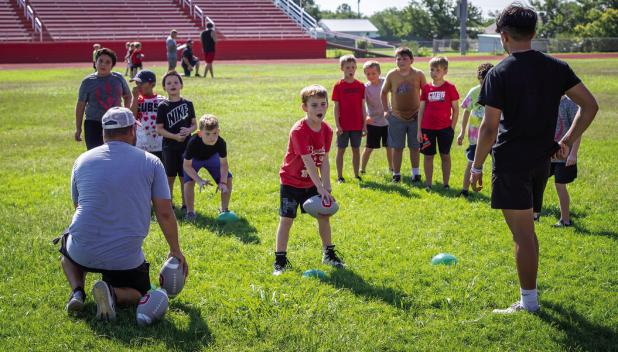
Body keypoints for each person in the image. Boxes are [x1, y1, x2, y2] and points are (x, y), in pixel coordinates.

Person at [470, 4, 598, 314]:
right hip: (542, 161)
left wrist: (476, 165)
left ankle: (529, 302)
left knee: (523, 235)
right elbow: (590, 105)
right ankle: (530, 296)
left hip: (512, 162)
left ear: (503, 36)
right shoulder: (556, 66)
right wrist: (565, 140)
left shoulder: (499, 72)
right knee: (528, 233)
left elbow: (488, 128)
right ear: (534, 33)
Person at [60, 107, 189, 320]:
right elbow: (164, 212)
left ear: (103, 133)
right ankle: (113, 293)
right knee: (140, 293)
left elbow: (78, 206)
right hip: (124, 258)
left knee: (67, 245)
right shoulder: (151, 161)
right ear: (132, 131)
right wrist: (175, 250)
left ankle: (77, 291)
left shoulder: (82, 160)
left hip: (82, 250)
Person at [273, 85, 345, 275]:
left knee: (324, 215)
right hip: (291, 181)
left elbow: (323, 159)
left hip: (312, 183)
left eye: (323, 104)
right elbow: (308, 162)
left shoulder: (327, 130)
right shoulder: (299, 131)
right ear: (304, 108)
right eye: (314, 105)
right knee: (286, 220)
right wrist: (320, 187)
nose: (319, 109)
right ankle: (280, 261)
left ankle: (328, 254)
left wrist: (326, 186)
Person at [381, 47, 427, 183]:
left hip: (415, 117)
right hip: (396, 117)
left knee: (415, 146)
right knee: (397, 147)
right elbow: (383, 92)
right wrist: (385, 110)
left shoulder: (419, 74)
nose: (401, 61)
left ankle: (416, 173)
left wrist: (424, 112)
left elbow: (425, 94)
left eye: (405, 59)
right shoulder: (391, 74)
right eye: (398, 59)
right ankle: (396, 174)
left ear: (411, 60)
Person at [155, 71, 197, 211]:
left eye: (175, 82)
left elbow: (194, 124)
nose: (172, 85)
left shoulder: (188, 104)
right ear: (164, 87)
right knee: (170, 176)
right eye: (169, 83)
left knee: (185, 175)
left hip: (186, 147)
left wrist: (189, 130)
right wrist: (174, 136)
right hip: (170, 147)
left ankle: (186, 204)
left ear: (181, 85)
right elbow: (159, 129)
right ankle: (169, 203)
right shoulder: (163, 106)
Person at [75, 48, 132, 150]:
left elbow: (127, 96)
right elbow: (81, 105)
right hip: (93, 123)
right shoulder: (87, 82)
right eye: (100, 61)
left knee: (116, 152)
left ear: (112, 65)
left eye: (107, 62)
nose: (103, 64)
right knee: (95, 154)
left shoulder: (118, 78)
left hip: (116, 123)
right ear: (95, 63)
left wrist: (125, 113)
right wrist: (78, 128)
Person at [417, 56, 459, 191]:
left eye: (437, 70)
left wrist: (451, 127)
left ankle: (446, 184)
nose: (434, 73)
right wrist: (419, 130)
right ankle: (428, 184)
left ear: (445, 71)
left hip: (445, 129)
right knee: (428, 156)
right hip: (427, 129)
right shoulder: (426, 88)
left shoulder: (450, 87)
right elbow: (421, 110)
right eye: (432, 70)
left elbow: (456, 109)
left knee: (445, 156)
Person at [183, 114, 233, 220]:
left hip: (211, 158)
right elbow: (186, 166)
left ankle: (224, 210)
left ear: (218, 131)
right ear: (200, 133)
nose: (212, 137)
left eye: (214, 133)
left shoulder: (220, 142)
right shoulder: (193, 142)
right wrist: (199, 180)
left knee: (228, 178)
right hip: (194, 160)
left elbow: (224, 164)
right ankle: (190, 212)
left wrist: (223, 183)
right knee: (189, 181)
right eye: (207, 134)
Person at [457, 62, 494, 197]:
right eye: (482, 81)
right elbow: (466, 111)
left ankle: (497, 194)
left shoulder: (497, 91)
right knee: (472, 163)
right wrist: (461, 132)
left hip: (493, 136)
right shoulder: (474, 92)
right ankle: (465, 190)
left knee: (497, 166)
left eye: (487, 82)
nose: (484, 85)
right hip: (475, 137)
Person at [545, 96, 582, 227]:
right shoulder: (546, 101)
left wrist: (573, 154)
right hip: (547, 153)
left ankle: (565, 220)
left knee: (560, 185)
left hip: (564, 155)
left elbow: (578, 131)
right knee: (536, 182)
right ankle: (535, 214)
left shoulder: (570, 104)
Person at [332, 55, 366, 183]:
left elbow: (363, 106)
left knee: (356, 150)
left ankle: (356, 174)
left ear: (356, 68)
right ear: (342, 69)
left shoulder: (360, 85)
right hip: (343, 125)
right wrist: (337, 125)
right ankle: (340, 176)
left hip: (357, 125)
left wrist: (364, 125)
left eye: (352, 67)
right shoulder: (338, 86)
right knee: (341, 150)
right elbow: (336, 107)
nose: (350, 70)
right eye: (347, 67)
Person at [360, 61, 392, 174]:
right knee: (369, 147)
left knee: (389, 146)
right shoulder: (365, 87)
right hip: (373, 121)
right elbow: (361, 105)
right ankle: (362, 169)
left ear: (379, 72)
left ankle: (392, 169)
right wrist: (366, 117)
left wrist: (391, 110)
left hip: (388, 120)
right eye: (368, 74)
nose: (371, 76)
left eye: (374, 73)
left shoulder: (385, 82)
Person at [129, 69, 165, 160]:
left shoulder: (162, 100)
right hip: (141, 145)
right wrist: (135, 97)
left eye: (141, 83)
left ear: (152, 84)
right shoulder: (137, 100)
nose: (138, 86)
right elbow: (132, 117)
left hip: (159, 145)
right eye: (136, 83)